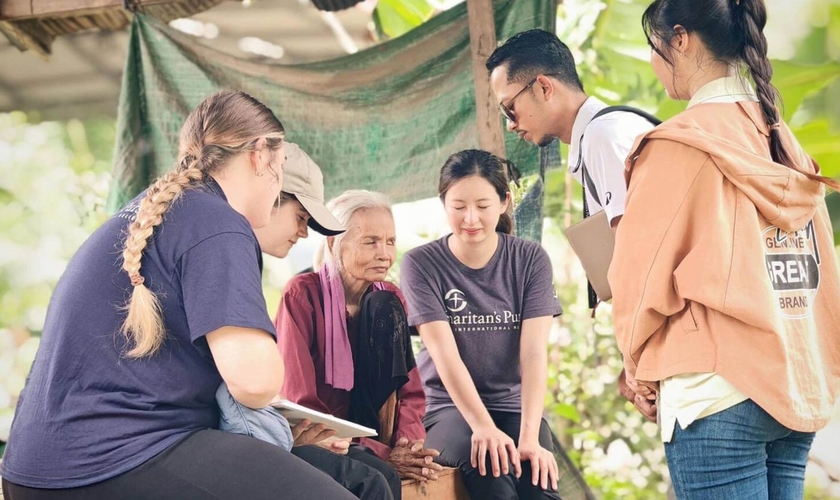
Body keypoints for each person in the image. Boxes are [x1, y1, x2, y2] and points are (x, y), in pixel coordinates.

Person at [0, 90, 357, 500]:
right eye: (279, 170)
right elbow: (254, 382)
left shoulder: (149, 211)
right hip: (110, 460)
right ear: (261, 155)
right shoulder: (219, 222)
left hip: (37, 466)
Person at [608, 1, 840, 498]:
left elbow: (639, 279)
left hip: (716, 391)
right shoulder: (784, 143)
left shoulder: (677, 146)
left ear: (681, 40)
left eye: (655, 48)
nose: (653, 62)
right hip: (792, 381)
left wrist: (637, 368)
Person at [486, 29, 658, 421]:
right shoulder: (603, 133)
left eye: (509, 108)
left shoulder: (603, 135)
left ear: (543, 87)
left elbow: (640, 258)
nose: (511, 125)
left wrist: (639, 364)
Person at [400, 149, 563, 500]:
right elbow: (445, 357)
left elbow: (533, 355)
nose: (470, 218)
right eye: (458, 207)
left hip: (514, 408)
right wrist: (483, 427)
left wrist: (531, 437)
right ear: (443, 203)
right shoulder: (421, 264)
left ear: (504, 202)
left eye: (483, 206)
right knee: (493, 470)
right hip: (447, 410)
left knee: (539, 483)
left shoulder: (530, 259)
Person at [275, 189, 442, 500]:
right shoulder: (302, 296)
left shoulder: (389, 299)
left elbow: (410, 390)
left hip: (379, 435)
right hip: (322, 437)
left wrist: (408, 445)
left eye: (390, 241)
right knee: (377, 477)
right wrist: (377, 452)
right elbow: (300, 400)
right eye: (371, 241)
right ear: (334, 242)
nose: (385, 253)